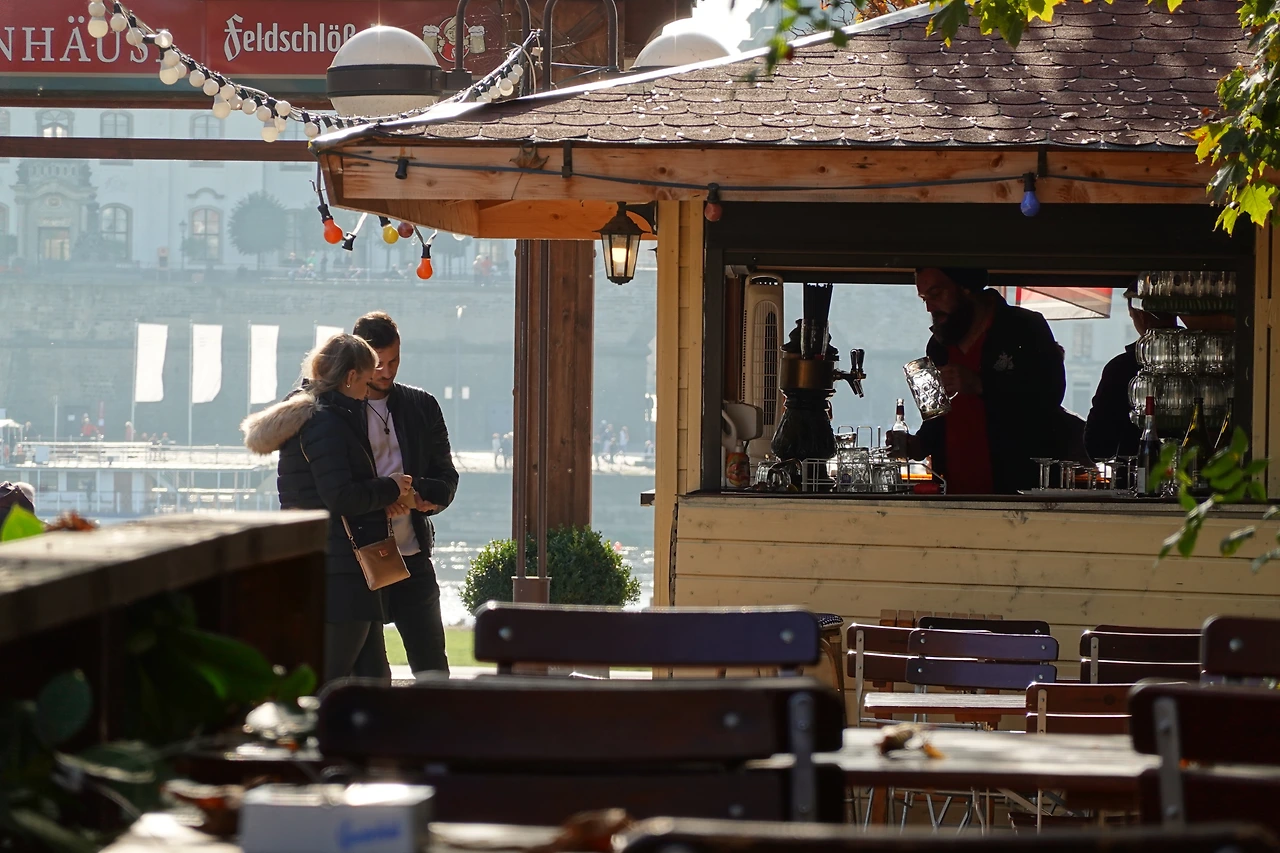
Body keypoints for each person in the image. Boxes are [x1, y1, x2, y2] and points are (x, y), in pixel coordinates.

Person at [241, 333, 413, 681]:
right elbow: (340, 496)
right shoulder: (327, 423)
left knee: (371, 677)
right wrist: (390, 487)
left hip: (332, 560)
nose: (367, 391)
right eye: (365, 381)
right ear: (350, 377)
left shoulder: (318, 417)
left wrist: (381, 501)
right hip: (342, 566)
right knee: (334, 676)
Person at [892, 268, 1067, 494]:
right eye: (924, 298)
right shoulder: (937, 346)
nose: (929, 307)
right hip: (953, 491)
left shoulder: (1024, 327)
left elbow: (1050, 395)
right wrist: (917, 445)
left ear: (966, 286)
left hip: (1020, 490)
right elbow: (936, 417)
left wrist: (981, 385)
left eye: (936, 294)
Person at [353, 311, 459, 677]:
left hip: (412, 555)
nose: (387, 372)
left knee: (433, 668)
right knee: (368, 673)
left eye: (394, 361)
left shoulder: (421, 405)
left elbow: (447, 479)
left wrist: (416, 496)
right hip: (359, 557)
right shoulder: (339, 411)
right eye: (378, 364)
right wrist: (382, 499)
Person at [1085, 297, 1178, 461]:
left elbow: (1097, 444)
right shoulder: (1203, 361)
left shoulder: (1121, 368)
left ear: (1141, 316)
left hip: (1136, 471)